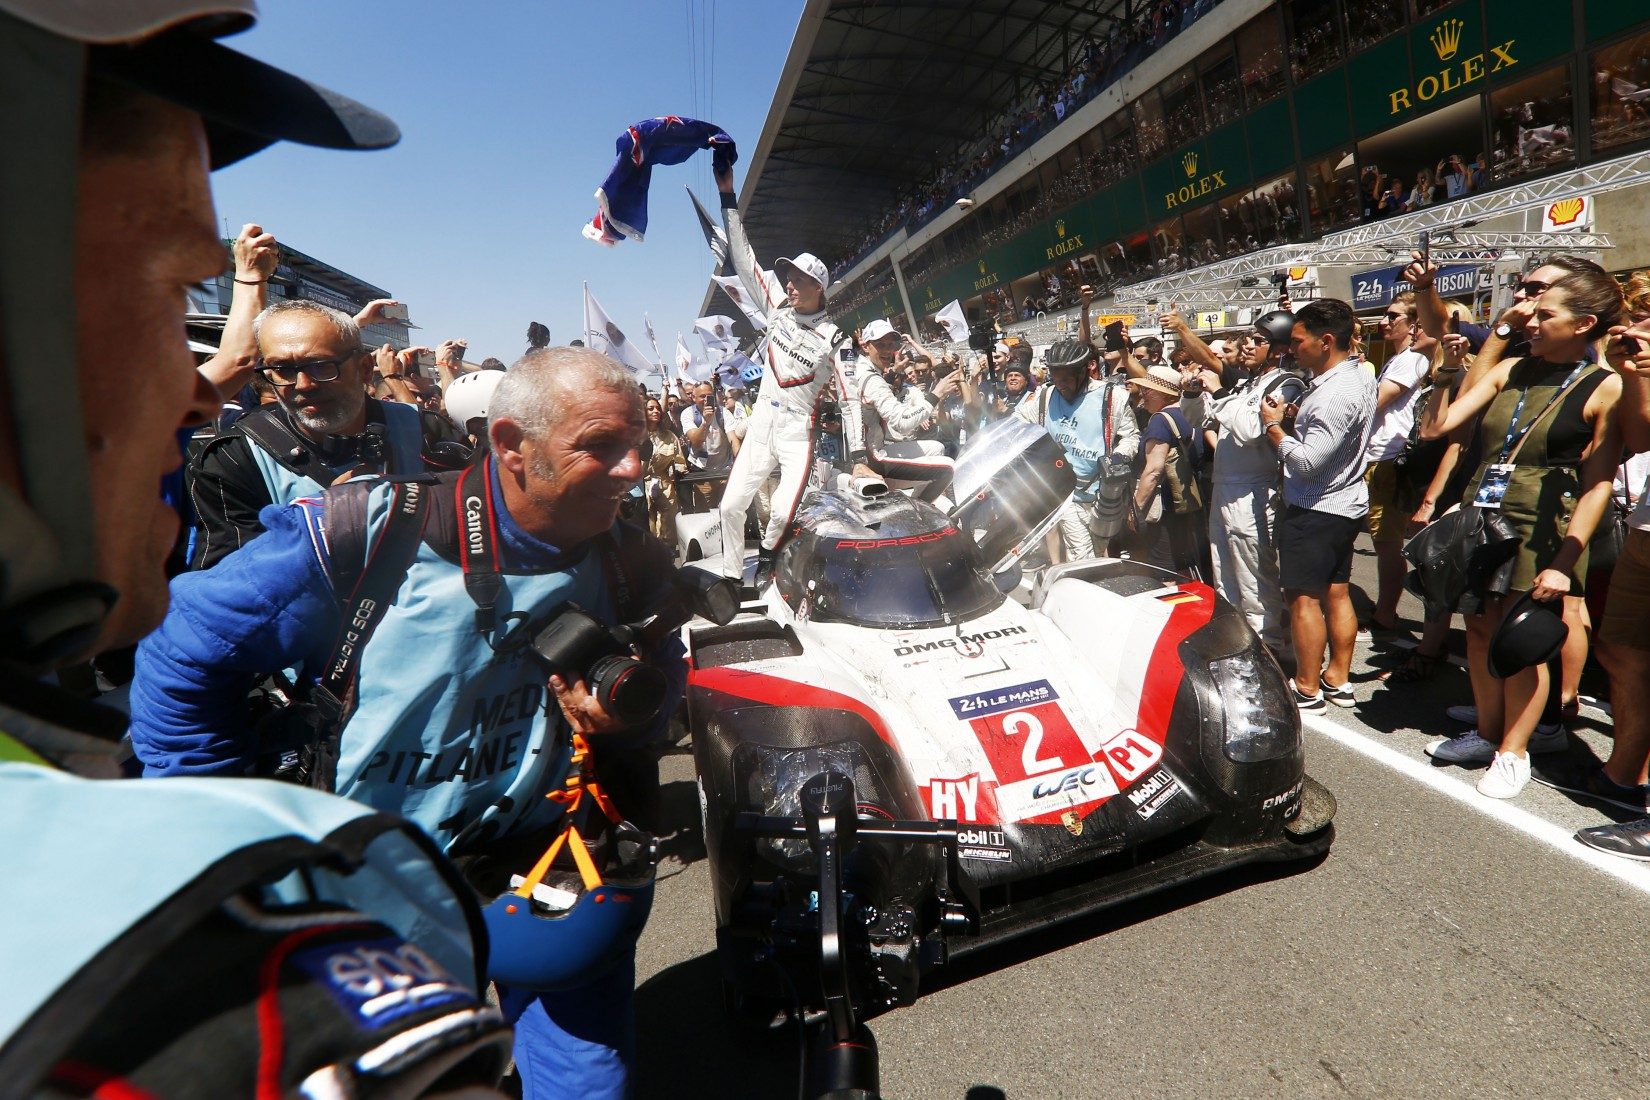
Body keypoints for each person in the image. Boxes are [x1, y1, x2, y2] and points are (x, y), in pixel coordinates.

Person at [0, 2, 513, 1093]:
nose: (205, 388)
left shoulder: (416, 433)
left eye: (312, 365)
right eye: (164, 289)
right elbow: (199, 638)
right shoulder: (230, 996)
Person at [130, 348, 685, 1095]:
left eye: (638, 448)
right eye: (600, 447)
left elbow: (659, 684)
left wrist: (624, 727)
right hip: (372, 883)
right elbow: (181, 647)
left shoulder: (627, 555)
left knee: (589, 1084)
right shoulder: (366, 534)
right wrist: (221, 832)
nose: (630, 471)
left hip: (545, 861)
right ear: (510, 445)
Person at [1419, 271, 1624, 798]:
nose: (1528, 318)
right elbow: (1435, 430)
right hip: (1483, 513)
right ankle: (1488, 736)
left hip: (1544, 522)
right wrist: (1445, 374)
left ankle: (1515, 751)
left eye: (1544, 313)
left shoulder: (1605, 385)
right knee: (1481, 630)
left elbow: (1598, 485)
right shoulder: (1509, 368)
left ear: (1584, 324)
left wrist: (1565, 557)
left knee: (1522, 642)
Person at [713, 161, 870, 587]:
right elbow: (744, 260)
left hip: (798, 431)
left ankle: (767, 555)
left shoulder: (837, 338)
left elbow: (852, 398)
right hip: (761, 419)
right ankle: (730, 579)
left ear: (819, 287)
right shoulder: (776, 308)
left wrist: (857, 459)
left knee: (783, 511)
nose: (790, 284)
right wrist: (728, 195)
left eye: (799, 279)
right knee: (729, 507)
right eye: (789, 276)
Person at [185, 299, 430, 568]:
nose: (303, 384)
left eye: (322, 365)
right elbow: (225, 585)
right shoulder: (232, 458)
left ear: (363, 369)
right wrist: (318, 524)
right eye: (282, 369)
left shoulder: (425, 429)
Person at [1261, 299, 1376, 711]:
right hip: (1344, 503)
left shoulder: (1334, 392)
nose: (1290, 349)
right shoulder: (1357, 376)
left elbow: (1308, 461)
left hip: (1316, 506)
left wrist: (1274, 427)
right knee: (1337, 593)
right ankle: (1338, 678)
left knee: (1304, 599)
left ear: (1325, 341)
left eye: (1297, 341)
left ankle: (1307, 688)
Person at [1574, 295, 1650, 853]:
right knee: (1620, 648)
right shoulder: (1635, 371)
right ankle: (1626, 774)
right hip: (1647, 527)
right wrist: (1635, 374)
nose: (1639, 333)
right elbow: (1642, 438)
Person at [1201, 313, 1295, 655]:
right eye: (1250, 339)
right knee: (1224, 572)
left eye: (1259, 340)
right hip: (1224, 485)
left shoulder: (1286, 383)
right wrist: (1193, 395)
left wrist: (1221, 391)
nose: (1249, 346)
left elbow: (1251, 432)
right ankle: (1234, 643)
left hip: (1254, 489)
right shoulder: (1247, 383)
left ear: (1280, 348)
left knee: (1254, 578)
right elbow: (1204, 420)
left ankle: (1267, 649)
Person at [1017, 337, 1139, 561]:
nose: (1060, 384)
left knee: (1099, 551)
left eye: (1066, 378)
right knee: (1082, 556)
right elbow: (1018, 422)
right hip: (1067, 493)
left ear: (1084, 371)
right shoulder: (1046, 396)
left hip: (1103, 493)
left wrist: (1119, 457)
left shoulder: (1112, 397)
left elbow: (1131, 436)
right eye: (1055, 377)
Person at [1362, 292, 1436, 633]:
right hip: (1379, 457)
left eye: (1393, 317)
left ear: (1413, 324)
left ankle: (1386, 613)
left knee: (1387, 542)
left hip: (1390, 458)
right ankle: (1384, 609)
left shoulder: (1411, 359)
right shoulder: (1398, 359)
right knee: (1383, 540)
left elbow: (1376, 402)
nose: (1385, 322)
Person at [857, 320, 957, 502]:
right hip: (874, 460)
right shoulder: (871, 379)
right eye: (880, 345)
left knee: (937, 448)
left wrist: (895, 370)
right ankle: (919, 515)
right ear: (865, 346)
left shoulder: (865, 369)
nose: (887, 350)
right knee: (948, 468)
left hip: (873, 450)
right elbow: (902, 423)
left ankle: (917, 506)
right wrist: (936, 394)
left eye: (890, 344)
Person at [1128, 364, 1207, 578]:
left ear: (1164, 394)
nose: (1142, 394)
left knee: (1164, 572)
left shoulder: (1160, 421)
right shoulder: (1190, 415)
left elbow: (1154, 470)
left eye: (1147, 390)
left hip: (1163, 507)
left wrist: (1135, 510)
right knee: (1184, 566)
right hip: (1187, 503)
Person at [680, 380, 733, 508]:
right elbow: (696, 442)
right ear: (693, 398)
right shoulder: (688, 414)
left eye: (709, 396)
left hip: (724, 470)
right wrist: (706, 422)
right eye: (702, 396)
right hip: (702, 473)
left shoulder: (723, 413)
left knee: (728, 511)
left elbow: (733, 439)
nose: (706, 400)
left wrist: (739, 464)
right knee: (705, 514)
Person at [646, 394, 689, 546]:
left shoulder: (669, 436)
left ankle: (666, 549)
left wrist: (678, 469)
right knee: (647, 520)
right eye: (650, 409)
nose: (655, 411)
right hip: (641, 484)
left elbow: (679, 459)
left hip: (663, 482)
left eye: (658, 408)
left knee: (668, 517)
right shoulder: (636, 435)